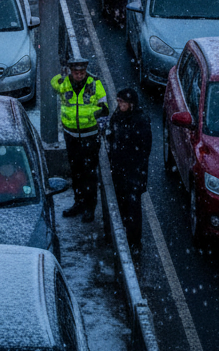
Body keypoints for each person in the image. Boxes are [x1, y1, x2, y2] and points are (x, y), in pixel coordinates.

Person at [51, 55, 109, 222]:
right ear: (71, 71)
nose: (79, 75)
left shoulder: (95, 83)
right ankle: (79, 203)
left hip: (90, 136)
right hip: (71, 136)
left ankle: (90, 207)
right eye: (76, 72)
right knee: (76, 172)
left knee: (89, 173)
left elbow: (104, 107)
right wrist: (60, 75)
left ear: (85, 71)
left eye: (82, 72)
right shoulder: (64, 83)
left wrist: (97, 114)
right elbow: (53, 83)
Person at [105, 88, 152, 249]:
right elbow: (111, 134)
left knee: (133, 207)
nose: (120, 105)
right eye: (119, 102)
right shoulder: (118, 116)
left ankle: (134, 240)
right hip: (120, 170)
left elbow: (145, 148)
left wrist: (133, 166)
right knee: (123, 203)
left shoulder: (140, 120)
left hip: (133, 172)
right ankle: (125, 232)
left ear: (131, 104)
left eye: (122, 102)